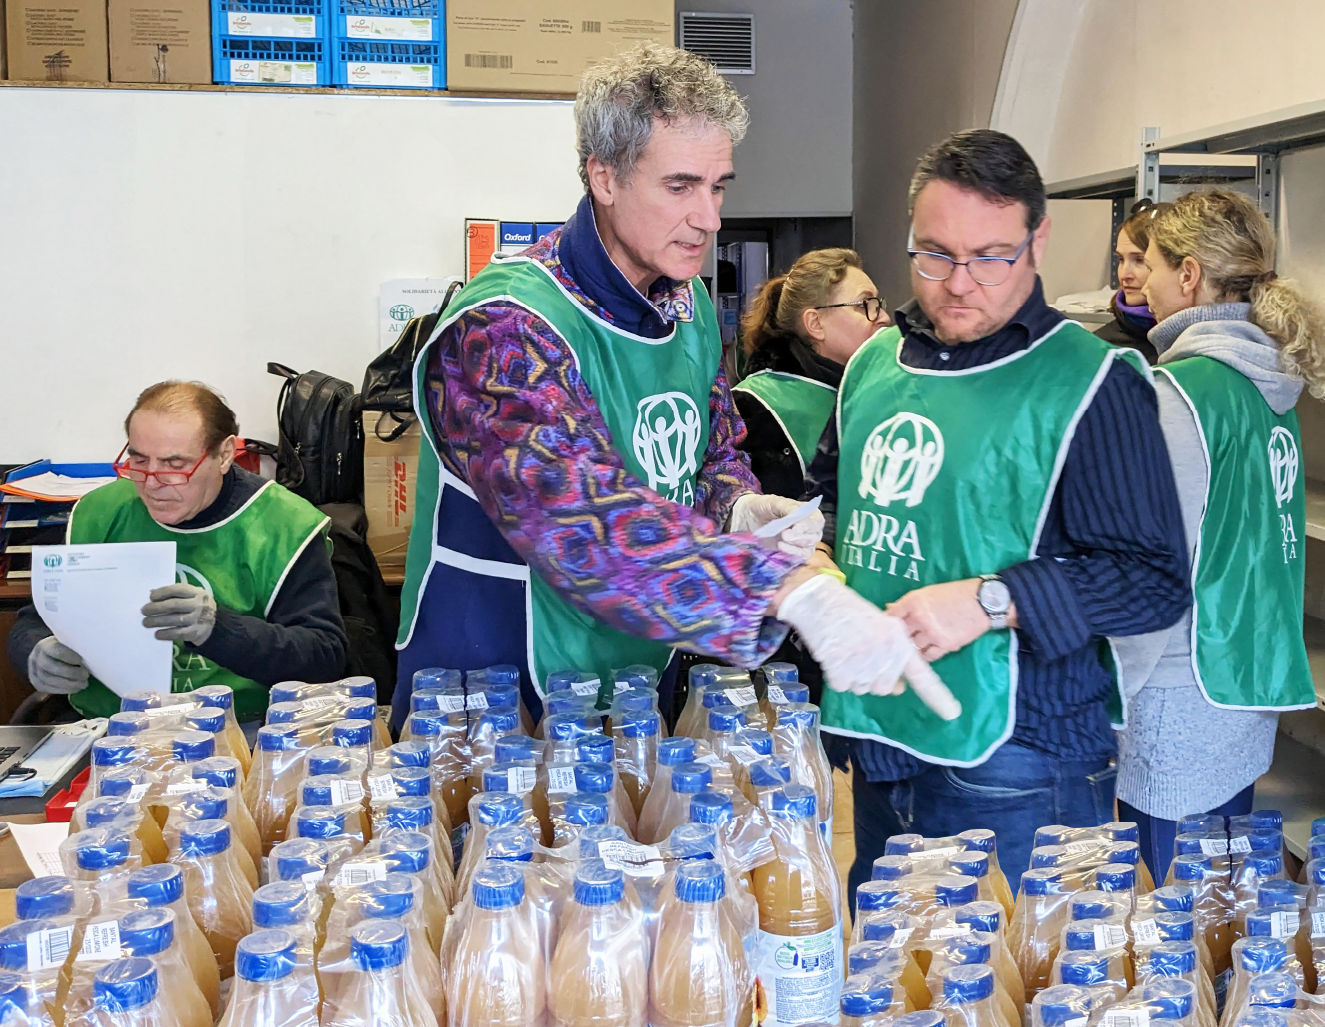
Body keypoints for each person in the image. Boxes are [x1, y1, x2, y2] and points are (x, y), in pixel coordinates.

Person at [391, 43, 956, 732]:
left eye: (718, 187)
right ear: (603, 176)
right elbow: (579, 524)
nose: (710, 218)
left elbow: (709, 454)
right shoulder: (504, 326)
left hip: (632, 689)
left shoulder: (688, 309)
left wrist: (737, 506)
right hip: (492, 707)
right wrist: (784, 589)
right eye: (681, 186)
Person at [802, 129, 1192, 897]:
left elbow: (1151, 582)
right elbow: (833, 511)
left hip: (1022, 762)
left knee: (1020, 964)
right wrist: (811, 567)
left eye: (989, 257)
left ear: (1036, 241)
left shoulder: (1092, 382)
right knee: (890, 963)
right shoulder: (872, 366)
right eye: (933, 254)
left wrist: (991, 599)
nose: (956, 283)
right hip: (881, 742)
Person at [1114, 189, 1325, 884]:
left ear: (1188, 276)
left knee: (1172, 915)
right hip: (1244, 686)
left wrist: (1106, 693)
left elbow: (1147, 573)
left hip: (1175, 703)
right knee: (1222, 902)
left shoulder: (1174, 395)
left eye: (1149, 263)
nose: (1139, 281)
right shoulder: (1267, 383)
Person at [6, 382, 346, 723]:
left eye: (174, 464)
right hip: (108, 726)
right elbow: (36, 621)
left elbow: (324, 657)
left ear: (225, 454)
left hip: (238, 727)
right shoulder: (100, 512)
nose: (152, 483)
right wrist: (35, 652)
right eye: (139, 460)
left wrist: (217, 629)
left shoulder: (283, 525)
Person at [734, 248, 892, 498]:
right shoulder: (751, 407)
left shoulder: (880, 391)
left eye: (879, 304)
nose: (884, 317)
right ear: (816, 324)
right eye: (865, 305)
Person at [1095, 200, 1173, 365]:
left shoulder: (1199, 340)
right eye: (1121, 259)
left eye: (1139, 260)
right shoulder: (1100, 347)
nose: (1124, 275)